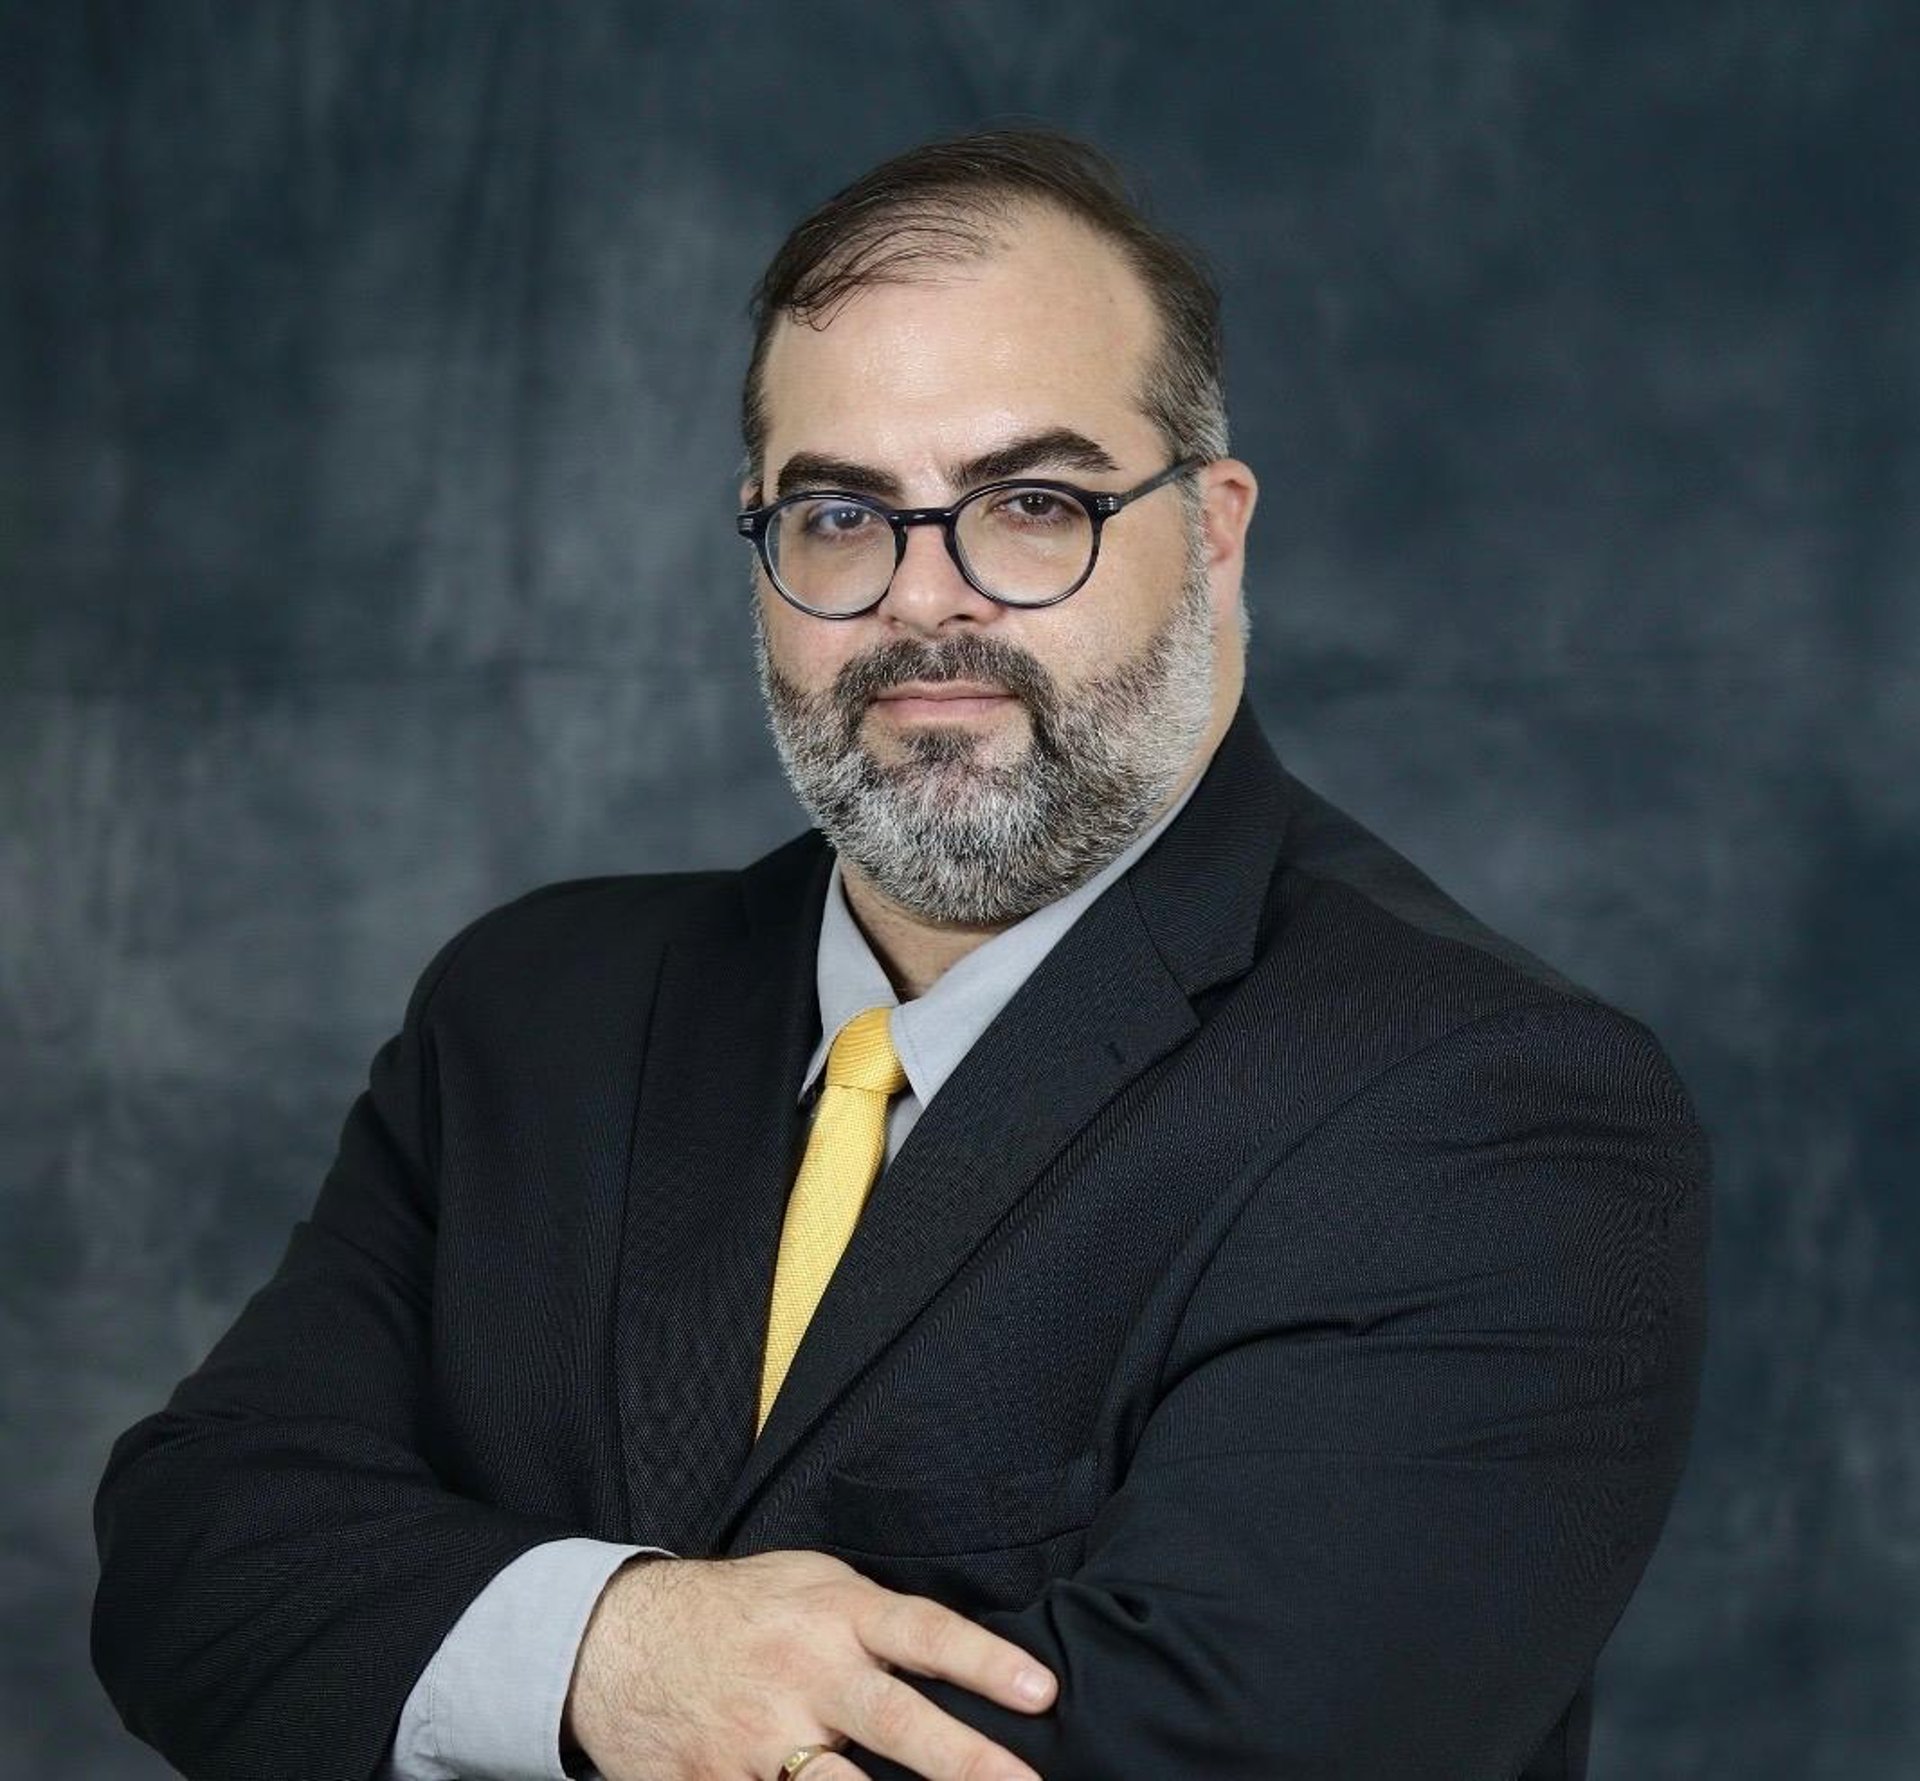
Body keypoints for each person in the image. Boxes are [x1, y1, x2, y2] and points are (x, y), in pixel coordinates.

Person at [91, 127, 1711, 1781]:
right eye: (844, 514)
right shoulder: (525, 1016)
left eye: (1032, 503)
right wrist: (612, 1644)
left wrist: (464, 1647)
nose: (928, 607)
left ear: (1213, 536)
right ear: (763, 539)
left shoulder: (1482, 1107)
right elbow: (192, 1559)